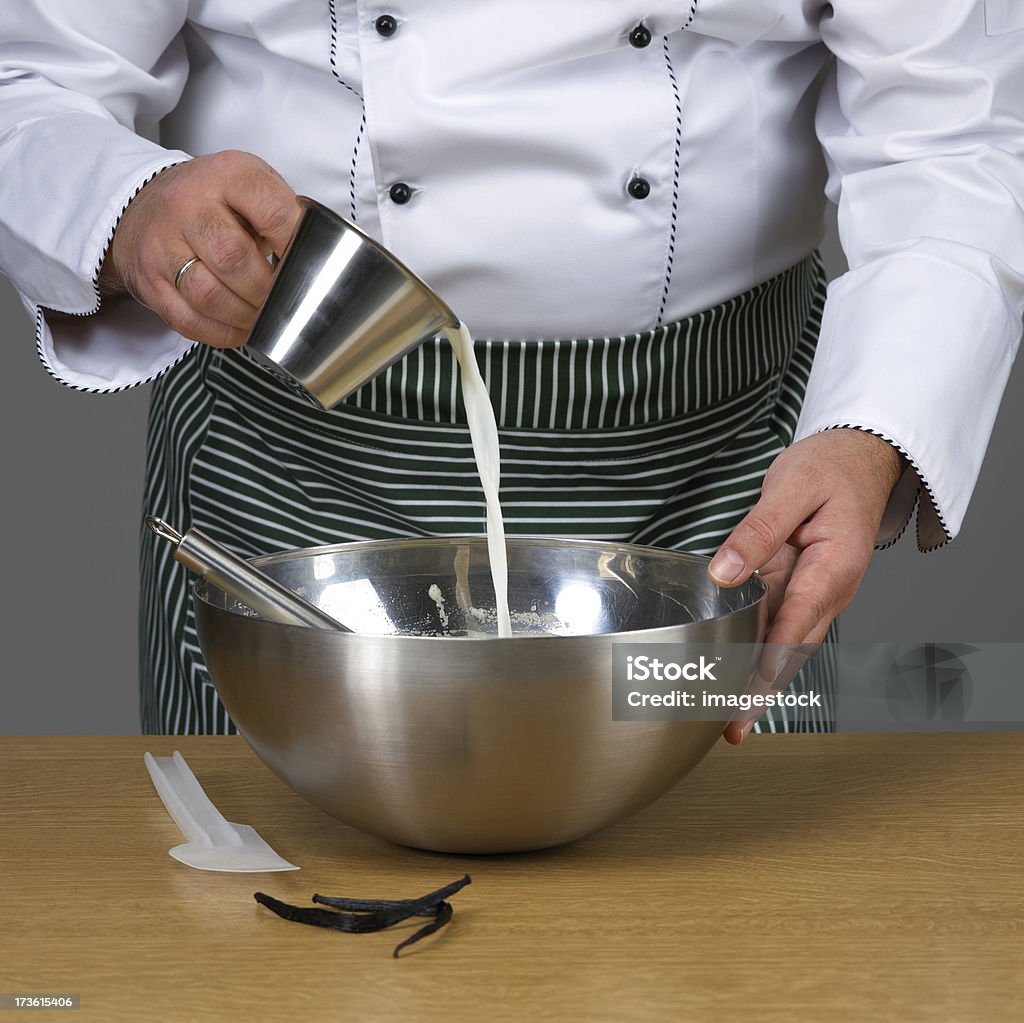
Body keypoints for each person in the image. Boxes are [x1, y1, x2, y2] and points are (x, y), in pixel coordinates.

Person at [1, 3, 1022, 737]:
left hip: (719, 488)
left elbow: (955, 132)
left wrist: (870, 432)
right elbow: (29, 83)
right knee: (271, 931)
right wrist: (132, 209)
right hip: (293, 474)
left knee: (718, 943)